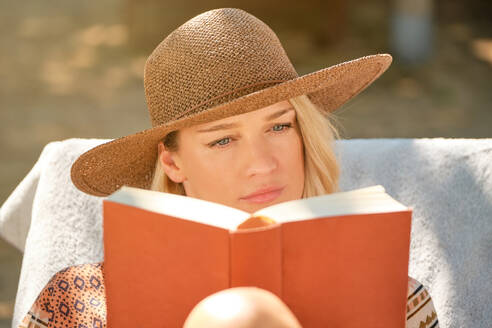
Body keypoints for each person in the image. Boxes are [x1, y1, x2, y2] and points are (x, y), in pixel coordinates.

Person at [18, 8, 439, 328]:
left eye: (278, 126)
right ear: (172, 161)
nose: (261, 164)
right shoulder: (80, 303)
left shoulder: (393, 298)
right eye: (222, 140)